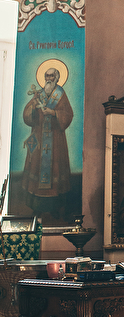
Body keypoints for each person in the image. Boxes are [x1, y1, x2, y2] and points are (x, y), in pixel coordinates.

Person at [22, 66, 73, 210]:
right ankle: (36, 204)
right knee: (37, 165)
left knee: (55, 168)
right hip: (39, 136)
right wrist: (33, 108)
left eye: (51, 76)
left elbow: (68, 114)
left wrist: (54, 113)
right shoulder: (38, 94)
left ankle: (55, 206)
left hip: (55, 138)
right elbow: (27, 116)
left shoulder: (60, 95)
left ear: (57, 78)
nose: (49, 79)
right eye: (47, 76)